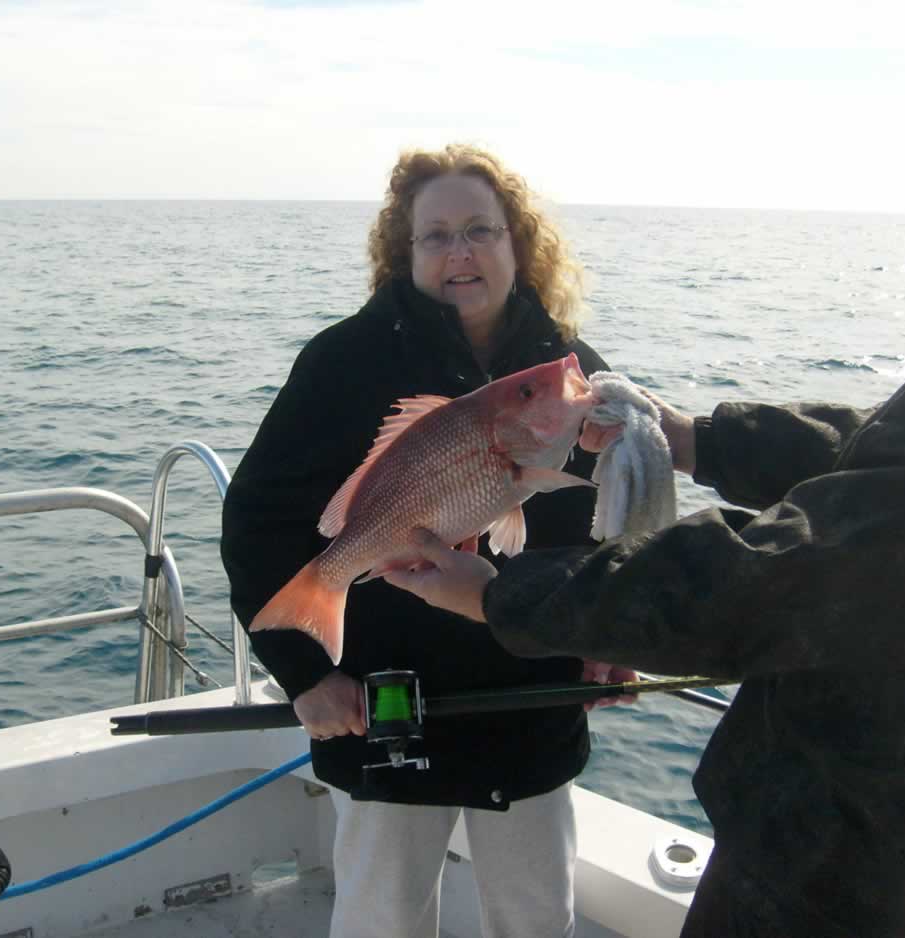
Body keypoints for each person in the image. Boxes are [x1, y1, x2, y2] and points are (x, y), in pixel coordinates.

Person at [384, 89, 905, 937]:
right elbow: (887, 461)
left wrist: (497, 593)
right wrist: (698, 439)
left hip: (840, 881)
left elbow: (744, 588)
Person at [221, 143, 633, 938]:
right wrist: (306, 674)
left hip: (529, 703)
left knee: (537, 919)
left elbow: (605, 532)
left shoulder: (569, 376)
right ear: (404, 252)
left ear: (518, 242)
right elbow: (256, 521)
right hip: (383, 705)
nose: (460, 252)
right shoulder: (344, 362)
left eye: (480, 230)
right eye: (436, 236)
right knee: (382, 920)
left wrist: (604, 638)